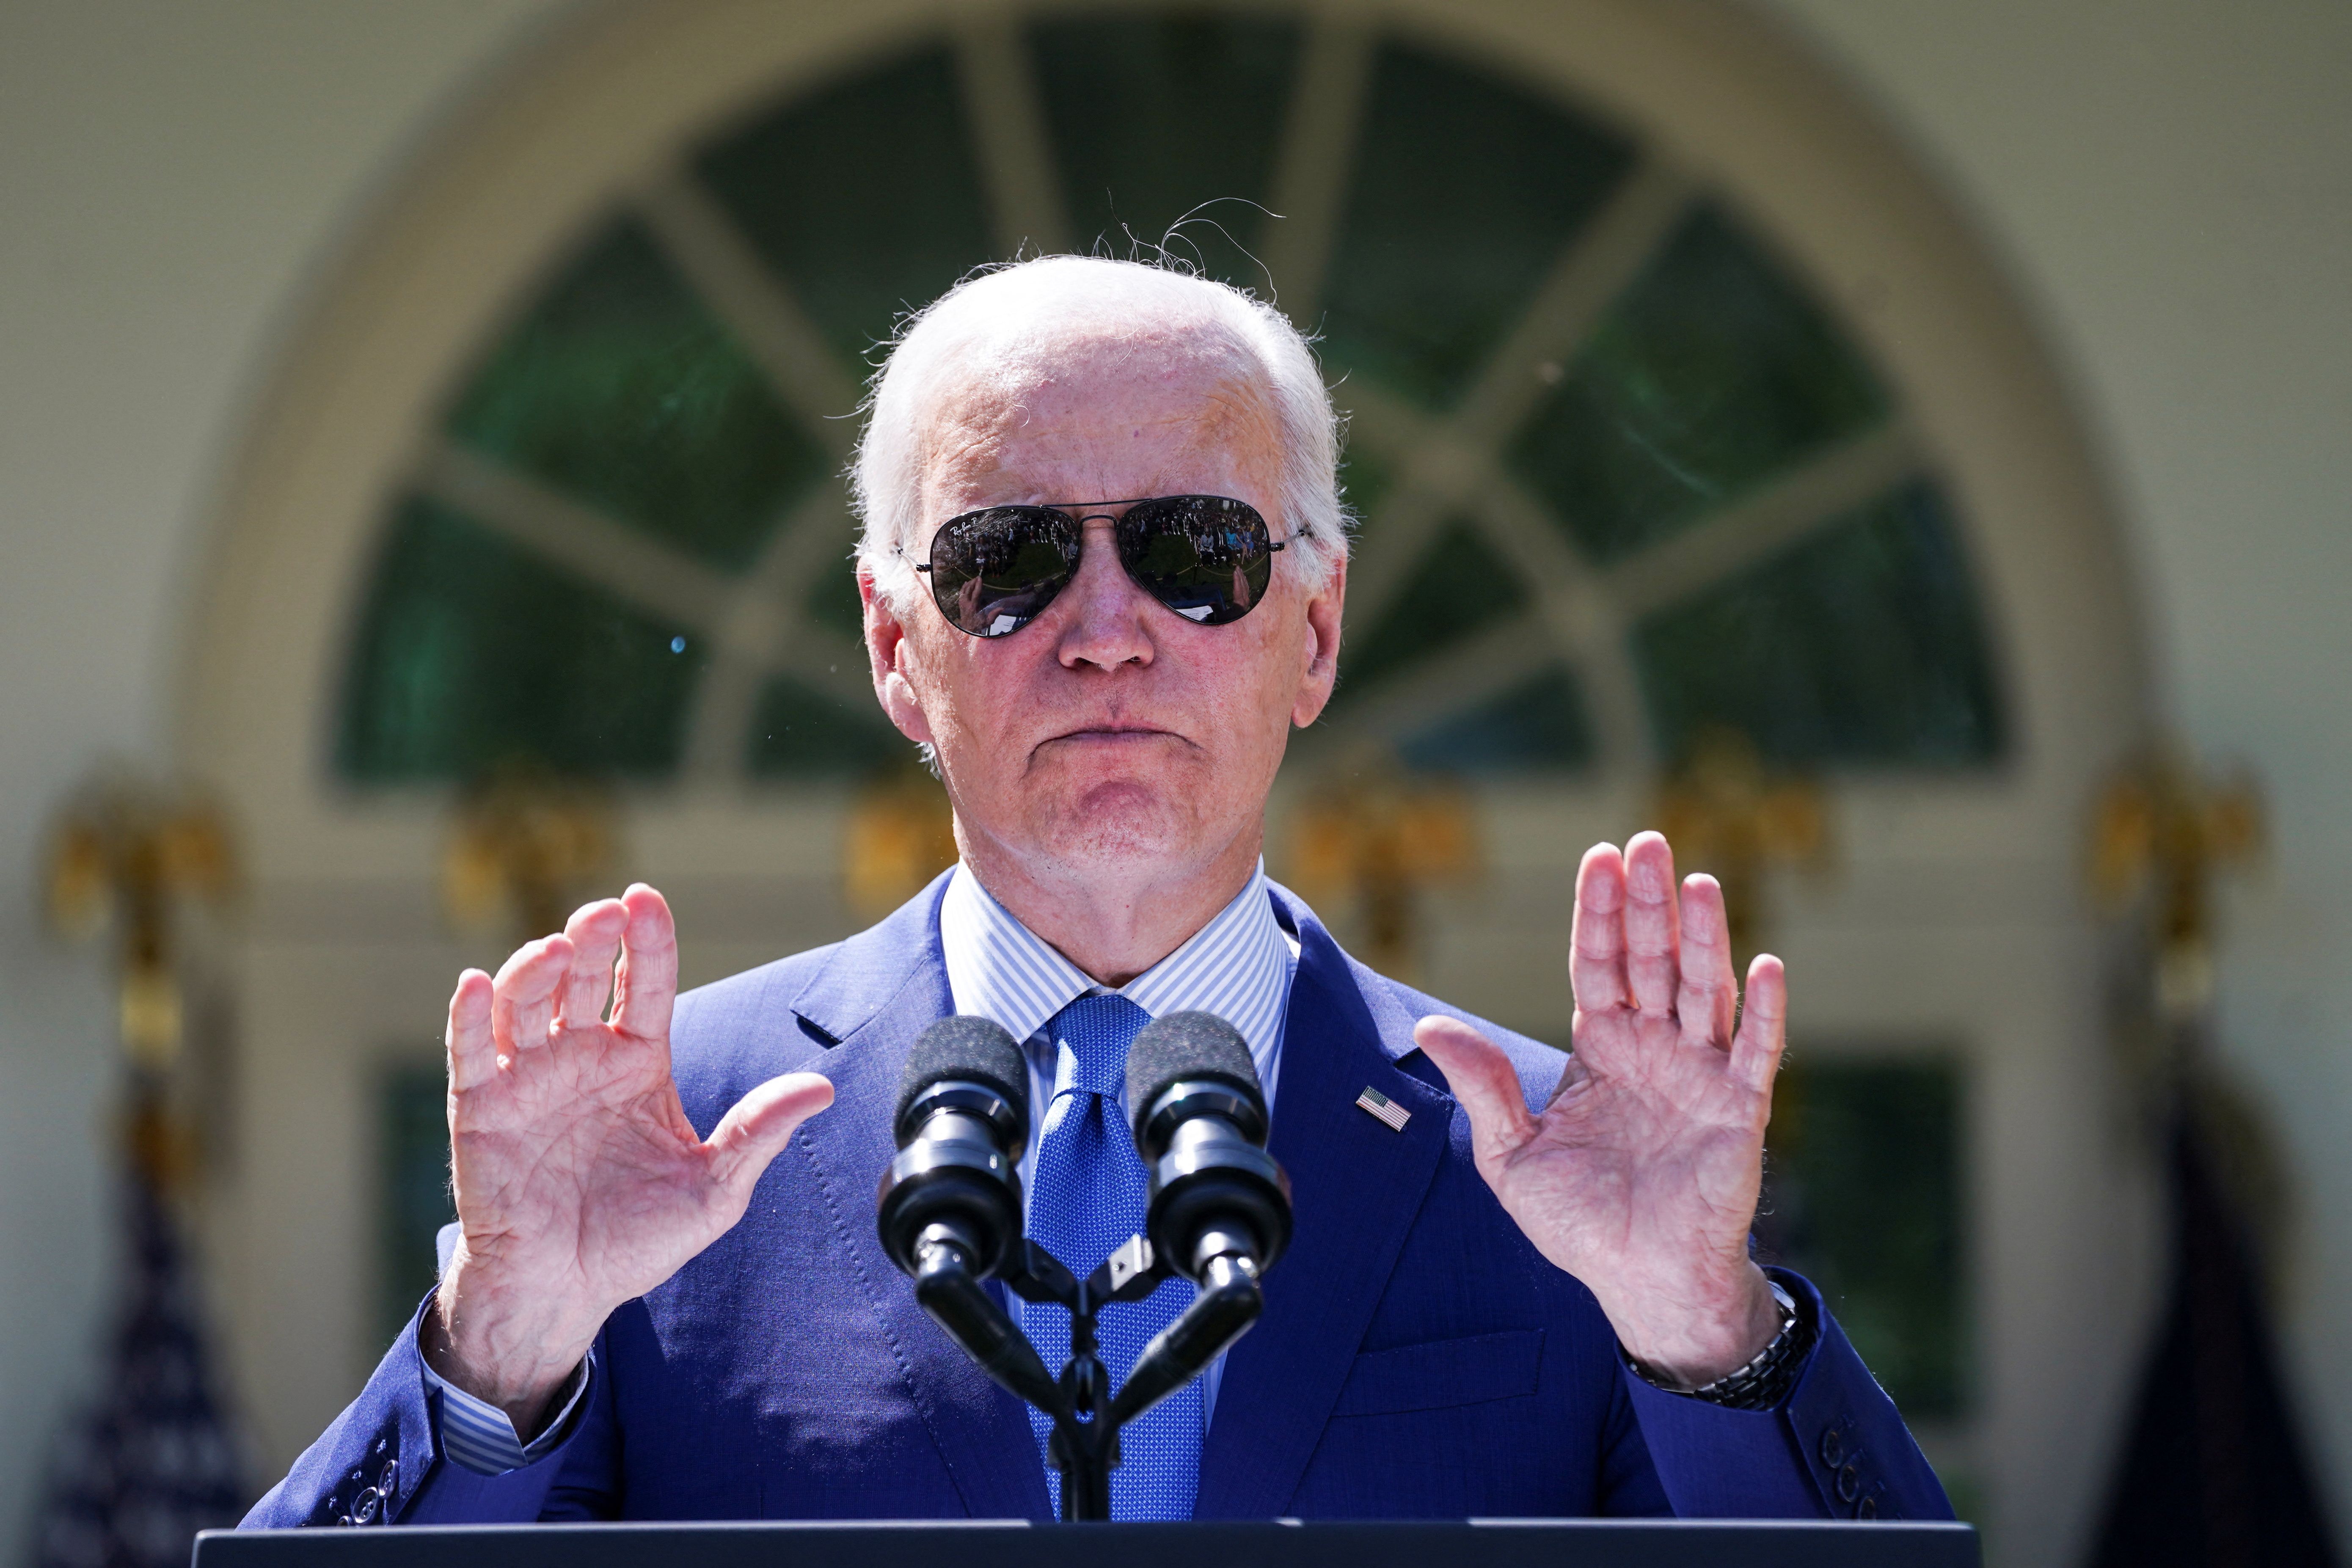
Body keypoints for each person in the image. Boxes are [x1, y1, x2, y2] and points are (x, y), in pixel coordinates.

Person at [245, 256, 1949, 1528]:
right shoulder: (676, 1132)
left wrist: (1708, 1341)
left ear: (1319, 631)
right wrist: (496, 1359)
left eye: (1198, 552)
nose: (1109, 627)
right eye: (1008, 562)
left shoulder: (1551, 1160)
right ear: (894, 651)